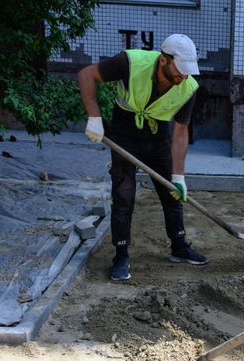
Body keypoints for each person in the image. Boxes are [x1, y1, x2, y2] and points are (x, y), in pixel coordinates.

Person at [78, 33, 208, 281]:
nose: (183, 76)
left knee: (171, 194)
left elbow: (181, 132)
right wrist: (94, 118)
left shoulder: (189, 87)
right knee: (124, 196)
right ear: (163, 60)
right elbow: (87, 75)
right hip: (125, 131)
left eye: (188, 70)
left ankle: (179, 247)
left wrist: (179, 176)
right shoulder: (130, 62)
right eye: (180, 69)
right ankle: (121, 255)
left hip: (159, 136)